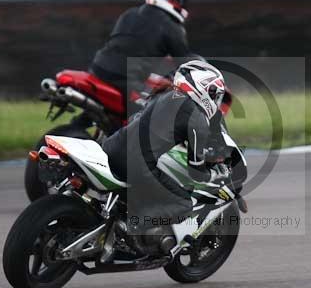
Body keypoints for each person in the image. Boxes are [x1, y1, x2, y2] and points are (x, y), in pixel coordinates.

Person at [103, 60, 242, 253]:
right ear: (205, 91)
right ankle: (134, 229)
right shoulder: (197, 119)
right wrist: (214, 175)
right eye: (215, 95)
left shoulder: (163, 95)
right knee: (183, 203)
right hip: (137, 165)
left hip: (112, 147)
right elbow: (196, 172)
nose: (216, 102)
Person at [89, 0, 192, 115]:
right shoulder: (171, 27)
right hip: (124, 80)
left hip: (98, 69)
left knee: (98, 113)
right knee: (153, 119)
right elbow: (184, 61)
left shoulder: (130, 14)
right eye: (181, 1)